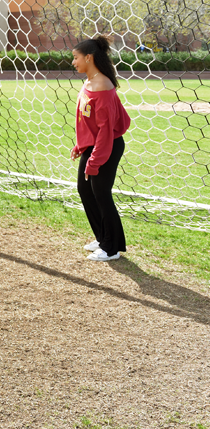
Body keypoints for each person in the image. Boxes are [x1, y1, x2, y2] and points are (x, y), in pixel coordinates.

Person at [70, 35, 131, 262]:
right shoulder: (88, 82)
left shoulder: (103, 87)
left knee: (102, 194)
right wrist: (81, 145)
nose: (73, 62)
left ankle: (111, 248)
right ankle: (102, 237)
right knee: (85, 190)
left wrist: (94, 162)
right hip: (93, 146)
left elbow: (106, 132)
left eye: (76, 58)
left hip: (107, 147)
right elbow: (88, 120)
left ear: (88, 57)